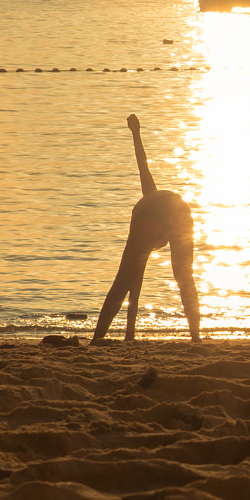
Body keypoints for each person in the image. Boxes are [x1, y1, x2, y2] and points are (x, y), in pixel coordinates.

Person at [91, 114, 200, 345]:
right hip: (182, 209)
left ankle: (97, 338)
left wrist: (135, 133)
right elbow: (144, 167)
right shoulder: (155, 196)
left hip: (150, 217)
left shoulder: (148, 205)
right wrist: (136, 132)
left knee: (121, 283)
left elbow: (134, 280)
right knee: (185, 279)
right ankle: (196, 338)